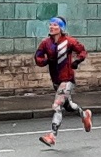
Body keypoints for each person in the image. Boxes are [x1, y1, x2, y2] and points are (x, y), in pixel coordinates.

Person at [32, 16, 92, 148]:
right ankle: (85, 114)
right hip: (56, 80)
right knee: (68, 106)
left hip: (67, 79)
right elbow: (38, 57)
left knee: (57, 105)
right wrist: (46, 61)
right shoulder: (46, 43)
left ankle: (52, 136)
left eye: (55, 25)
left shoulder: (69, 41)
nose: (52, 27)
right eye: (51, 24)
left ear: (61, 28)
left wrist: (77, 61)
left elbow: (82, 50)